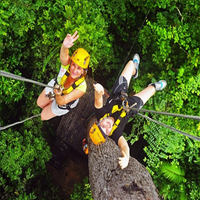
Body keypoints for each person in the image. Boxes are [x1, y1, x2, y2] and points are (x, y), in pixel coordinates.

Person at [89, 54, 167, 169]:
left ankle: (135, 71)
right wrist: (126, 157)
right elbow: (125, 146)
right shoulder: (115, 134)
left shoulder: (100, 113)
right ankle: (155, 86)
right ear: (107, 135)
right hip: (130, 108)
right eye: (106, 131)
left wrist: (99, 91)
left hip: (119, 94)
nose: (107, 126)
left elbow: (98, 99)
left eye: (102, 126)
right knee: (151, 90)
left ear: (100, 121)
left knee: (130, 63)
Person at [37, 31, 90, 120]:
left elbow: (63, 101)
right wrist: (64, 46)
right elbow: (63, 55)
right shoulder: (67, 65)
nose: (75, 70)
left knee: (42, 116)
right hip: (54, 87)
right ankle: (50, 101)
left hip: (63, 102)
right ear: (71, 63)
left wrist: (58, 95)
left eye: (79, 68)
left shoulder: (81, 87)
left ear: (83, 72)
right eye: (73, 65)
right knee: (39, 103)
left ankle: (50, 106)